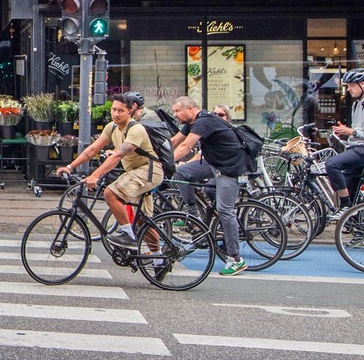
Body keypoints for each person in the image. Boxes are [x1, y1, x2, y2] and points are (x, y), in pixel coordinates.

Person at [56, 93, 164, 251]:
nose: (115, 113)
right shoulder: (112, 127)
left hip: (149, 171)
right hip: (136, 172)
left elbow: (119, 154)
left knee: (110, 193)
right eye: (114, 109)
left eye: (120, 110)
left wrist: (95, 175)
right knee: (142, 220)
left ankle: (127, 234)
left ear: (130, 112)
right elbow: (92, 149)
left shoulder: (136, 129)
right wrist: (70, 166)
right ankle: (159, 260)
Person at [169, 96, 248, 276]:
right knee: (182, 173)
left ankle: (235, 259)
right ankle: (193, 214)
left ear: (190, 108)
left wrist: (163, 164)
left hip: (229, 166)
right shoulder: (191, 122)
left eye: (177, 111)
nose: (175, 115)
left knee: (225, 210)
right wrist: (152, 154)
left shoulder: (203, 121)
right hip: (213, 163)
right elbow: (174, 142)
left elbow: (186, 147)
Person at [324, 69, 364, 221]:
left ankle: (345, 206)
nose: (348, 89)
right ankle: (356, 229)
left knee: (332, 164)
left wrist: (351, 132)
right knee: (351, 190)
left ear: (363, 84)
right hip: (355, 148)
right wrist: (344, 134)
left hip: (362, 150)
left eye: (351, 85)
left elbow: (357, 133)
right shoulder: (355, 105)